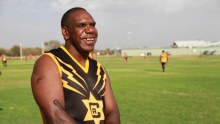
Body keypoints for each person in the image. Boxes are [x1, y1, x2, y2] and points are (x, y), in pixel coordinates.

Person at [31, 7, 120, 124]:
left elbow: (112, 111)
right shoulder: (49, 62)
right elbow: (56, 116)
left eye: (92, 25)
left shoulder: (99, 69)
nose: (90, 30)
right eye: (81, 25)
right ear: (66, 32)